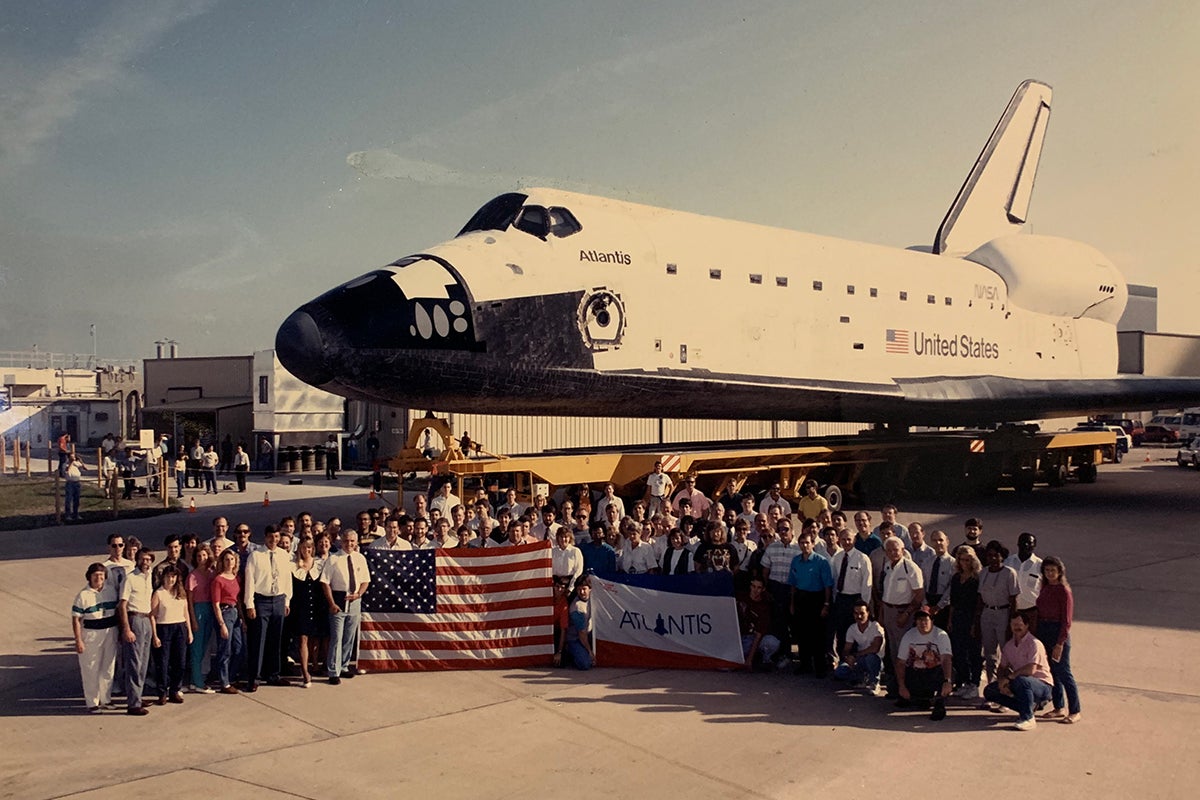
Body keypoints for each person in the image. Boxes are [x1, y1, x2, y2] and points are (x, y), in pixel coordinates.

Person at [982, 612, 1054, 730]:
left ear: (1026, 625)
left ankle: (1028, 718)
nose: (1017, 627)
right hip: (1019, 683)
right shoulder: (1009, 645)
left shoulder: (1034, 644)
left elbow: (1031, 669)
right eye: (1013, 624)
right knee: (990, 691)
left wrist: (1009, 678)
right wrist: (1001, 682)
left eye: (1019, 624)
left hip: (1042, 686)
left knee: (1022, 680)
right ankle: (1028, 706)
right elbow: (1002, 667)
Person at [243, 526, 293, 691]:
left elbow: (287, 579)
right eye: (271, 536)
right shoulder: (256, 555)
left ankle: (273, 674)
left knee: (276, 640)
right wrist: (249, 604)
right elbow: (250, 580)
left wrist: (287, 601)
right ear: (265, 537)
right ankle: (254, 678)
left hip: (278, 600)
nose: (274, 540)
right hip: (261, 601)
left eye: (277, 536)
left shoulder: (284, 555)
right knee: (258, 641)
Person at [1036, 556, 1081, 723]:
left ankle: (1075, 710)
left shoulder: (1064, 591)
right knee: (1052, 672)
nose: (1049, 573)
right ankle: (1058, 707)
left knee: (1064, 672)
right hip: (1043, 629)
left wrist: (1060, 643)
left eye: (1052, 571)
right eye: (1047, 570)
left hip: (1057, 631)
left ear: (1059, 572)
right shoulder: (1045, 588)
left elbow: (1067, 621)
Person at [322, 529, 370, 684]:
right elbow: (325, 582)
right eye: (346, 541)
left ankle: (343, 666)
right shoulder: (333, 559)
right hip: (338, 599)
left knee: (349, 637)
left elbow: (365, 580)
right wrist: (331, 603)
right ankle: (333, 671)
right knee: (336, 637)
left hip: (355, 600)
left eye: (352, 541)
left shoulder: (360, 558)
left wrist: (359, 594)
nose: (349, 544)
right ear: (341, 542)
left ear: (356, 542)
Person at [72, 562, 119, 711]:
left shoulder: (111, 591)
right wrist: (78, 640)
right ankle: (92, 703)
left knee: (108, 667)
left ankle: (106, 699)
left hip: (110, 632)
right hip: (91, 635)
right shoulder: (83, 595)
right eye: (95, 575)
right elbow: (76, 619)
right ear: (89, 577)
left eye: (101, 575)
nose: (98, 578)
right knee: (91, 668)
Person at [894, 607, 953, 721]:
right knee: (894, 687)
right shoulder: (909, 635)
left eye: (926, 619)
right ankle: (921, 699)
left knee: (949, 675)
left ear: (932, 621)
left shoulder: (941, 635)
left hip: (934, 672)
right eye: (919, 620)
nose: (923, 623)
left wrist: (948, 680)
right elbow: (900, 662)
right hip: (916, 672)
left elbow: (946, 659)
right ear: (915, 622)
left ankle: (939, 702)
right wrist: (902, 686)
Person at [787, 531, 833, 676]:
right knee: (802, 633)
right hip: (801, 598)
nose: (804, 545)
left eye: (807, 542)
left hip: (817, 599)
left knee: (818, 634)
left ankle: (820, 667)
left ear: (813, 544)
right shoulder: (795, 561)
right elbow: (793, 584)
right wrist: (792, 603)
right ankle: (805, 664)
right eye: (802, 543)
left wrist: (826, 604)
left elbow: (827, 585)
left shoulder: (821, 561)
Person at [977, 540, 1019, 689]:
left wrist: (1012, 623)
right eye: (990, 556)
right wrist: (977, 621)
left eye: (996, 555)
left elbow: (1013, 599)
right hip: (987, 613)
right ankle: (992, 688)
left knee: (1007, 653)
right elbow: (980, 599)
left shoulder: (1009, 573)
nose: (993, 559)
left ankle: (1008, 688)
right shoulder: (984, 572)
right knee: (989, 654)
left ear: (1002, 557)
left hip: (1003, 613)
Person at [119, 548, 155, 715]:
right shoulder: (130, 578)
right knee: (134, 663)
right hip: (135, 619)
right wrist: (126, 628)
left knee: (144, 663)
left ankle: (138, 696)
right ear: (137, 560)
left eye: (148, 559)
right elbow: (123, 605)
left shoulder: (149, 577)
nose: (145, 562)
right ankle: (133, 704)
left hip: (147, 619)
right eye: (143, 559)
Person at [150, 564, 193, 705]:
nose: (171, 579)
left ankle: (175, 690)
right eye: (169, 576)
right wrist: (155, 635)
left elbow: (185, 612)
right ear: (164, 577)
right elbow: (152, 615)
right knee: (163, 662)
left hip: (180, 627)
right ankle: (162, 692)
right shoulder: (158, 593)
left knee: (179, 662)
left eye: (174, 576)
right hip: (164, 628)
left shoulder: (180, 593)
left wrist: (189, 631)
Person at [948, 545, 984, 698]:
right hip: (958, 617)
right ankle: (964, 681)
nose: (965, 563)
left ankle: (974, 684)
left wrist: (975, 623)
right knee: (958, 651)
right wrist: (950, 620)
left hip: (972, 617)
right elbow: (953, 602)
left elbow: (979, 602)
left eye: (968, 560)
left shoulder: (977, 578)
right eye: (962, 559)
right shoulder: (956, 577)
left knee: (973, 652)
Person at [292, 536, 328, 688]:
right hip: (300, 607)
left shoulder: (320, 564)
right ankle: (305, 672)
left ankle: (317, 665)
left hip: (318, 606)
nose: (306, 550)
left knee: (316, 639)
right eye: (303, 547)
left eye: (309, 548)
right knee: (303, 640)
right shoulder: (293, 566)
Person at [833, 600, 885, 693]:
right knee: (840, 671)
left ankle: (875, 683)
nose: (859, 616)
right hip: (860, 660)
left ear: (868, 613)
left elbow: (875, 648)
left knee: (871, 658)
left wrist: (856, 655)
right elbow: (846, 649)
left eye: (862, 613)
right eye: (856, 613)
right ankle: (861, 678)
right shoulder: (852, 628)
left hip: (876, 660)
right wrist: (848, 658)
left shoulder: (875, 627)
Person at [185, 544, 217, 694]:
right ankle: (198, 682)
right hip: (197, 610)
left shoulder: (212, 573)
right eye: (199, 556)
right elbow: (189, 600)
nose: (202, 559)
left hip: (210, 609)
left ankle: (193, 680)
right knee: (197, 648)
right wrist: (192, 619)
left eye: (204, 555)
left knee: (204, 647)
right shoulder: (192, 576)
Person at [210, 548, 243, 694]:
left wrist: (242, 619)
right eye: (226, 559)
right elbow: (215, 604)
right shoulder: (218, 580)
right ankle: (224, 682)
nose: (229, 562)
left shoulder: (236, 578)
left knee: (238, 646)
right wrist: (222, 624)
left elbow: (238, 599)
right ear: (222, 562)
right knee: (225, 648)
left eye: (232, 559)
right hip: (224, 613)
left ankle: (230, 676)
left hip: (235, 612)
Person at [737, 576, 780, 670]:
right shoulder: (740, 597)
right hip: (739, 637)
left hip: (752, 637)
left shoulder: (764, 607)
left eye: (759, 587)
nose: (755, 590)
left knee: (772, 642)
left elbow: (758, 635)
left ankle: (764, 659)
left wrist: (749, 660)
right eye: (753, 586)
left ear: (763, 589)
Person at [1005, 532, 1043, 629]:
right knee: (1010, 642)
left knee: (1031, 642)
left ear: (1034, 545)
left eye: (1029, 543)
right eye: (1023, 542)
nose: (1026, 545)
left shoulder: (1040, 565)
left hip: (1031, 612)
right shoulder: (1008, 562)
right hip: (1010, 611)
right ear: (1018, 544)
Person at [562, 578, 594, 670]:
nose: (582, 592)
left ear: (590, 589)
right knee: (585, 664)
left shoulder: (595, 598)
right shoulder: (577, 608)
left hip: (590, 634)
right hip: (575, 639)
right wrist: (590, 651)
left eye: (584, 589)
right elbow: (581, 633)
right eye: (579, 589)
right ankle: (570, 653)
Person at [63, 452, 86, 521]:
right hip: (70, 483)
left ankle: (76, 514)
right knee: (69, 499)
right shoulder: (65, 464)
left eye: (74, 457)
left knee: (76, 500)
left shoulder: (76, 463)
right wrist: (71, 463)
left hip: (77, 483)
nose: (73, 458)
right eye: (72, 457)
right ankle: (68, 515)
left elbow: (84, 467)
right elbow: (66, 470)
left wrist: (80, 460)